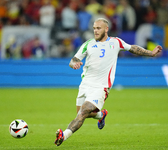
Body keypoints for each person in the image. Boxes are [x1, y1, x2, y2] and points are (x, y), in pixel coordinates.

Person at [54, 18, 162, 146]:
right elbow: (73, 60)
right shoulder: (88, 44)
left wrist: (151, 53)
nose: (95, 31)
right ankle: (101, 115)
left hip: (101, 87)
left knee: (83, 111)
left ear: (106, 29)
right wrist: (74, 64)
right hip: (85, 85)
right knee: (82, 114)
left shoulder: (116, 42)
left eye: (98, 28)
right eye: (94, 28)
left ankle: (63, 135)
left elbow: (132, 48)